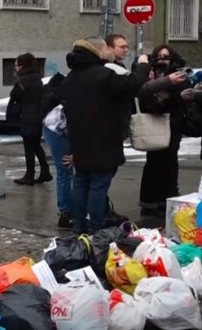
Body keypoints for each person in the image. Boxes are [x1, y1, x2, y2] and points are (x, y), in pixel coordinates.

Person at [60, 37, 150, 234]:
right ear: (97, 51)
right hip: (104, 142)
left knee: (81, 184)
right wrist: (143, 65)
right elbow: (134, 84)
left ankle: (79, 228)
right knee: (98, 188)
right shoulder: (103, 76)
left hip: (79, 142)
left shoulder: (70, 79)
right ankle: (96, 231)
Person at [138, 45, 191, 217]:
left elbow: (182, 98)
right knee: (153, 163)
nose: (163, 59)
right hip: (153, 124)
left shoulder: (179, 75)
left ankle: (167, 199)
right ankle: (150, 202)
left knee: (170, 162)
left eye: (166, 57)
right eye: (159, 56)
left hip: (173, 125)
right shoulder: (149, 75)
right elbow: (146, 99)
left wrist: (172, 90)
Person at [7, 53, 51, 185]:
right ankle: (45, 171)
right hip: (38, 115)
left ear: (22, 65)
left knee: (28, 147)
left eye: (16, 64)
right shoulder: (37, 78)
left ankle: (29, 175)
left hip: (27, 115)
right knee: (36, 144)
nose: (15, 67)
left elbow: (14, 95)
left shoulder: (22, 79)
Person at [39, 72, 73, 228]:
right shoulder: (77, 100)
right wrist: (74, 152)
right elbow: (77, 129)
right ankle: (65, 213)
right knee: (65, 169)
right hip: (56, 129)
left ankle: (71, 210)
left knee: (70, 169)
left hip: (60, 127)